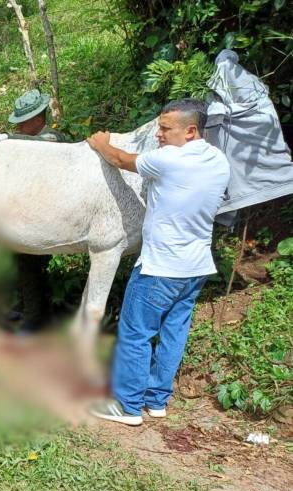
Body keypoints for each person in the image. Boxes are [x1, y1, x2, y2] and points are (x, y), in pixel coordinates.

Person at [86, 98, 230, 426]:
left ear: (191, 131)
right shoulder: (219, 160)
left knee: (136, 332)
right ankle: (157, 400)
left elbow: (121, 159)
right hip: (195, 268)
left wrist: (101, 143)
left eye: (166, 129)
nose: (159, 134)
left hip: (160, 267)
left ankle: (128, 406)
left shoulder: (169, 160)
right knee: (173, 333)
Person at [0, 89, 67, 332]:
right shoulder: (28, 139)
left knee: (30, 263)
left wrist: (9, 139)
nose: (18, 128)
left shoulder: (51, 137)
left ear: (37, 119)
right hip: (28, 210)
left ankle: (34, 318)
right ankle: (28, 307)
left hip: (48, 213)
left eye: (22, 123)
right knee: (20, 263)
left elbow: (40, 146)